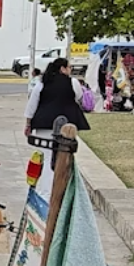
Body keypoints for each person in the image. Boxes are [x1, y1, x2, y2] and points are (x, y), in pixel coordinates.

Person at [24, 58, 90, 199]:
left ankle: (44, 192)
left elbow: (32, 104)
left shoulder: (42, 83)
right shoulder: (72, 83)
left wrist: (28, 124)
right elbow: (78, 97)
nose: (70, 70)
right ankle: (61, 191)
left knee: (46, 158)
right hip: (66, 127)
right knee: (64, 159)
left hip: (44, 124)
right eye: (69, 67)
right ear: (62, 69)